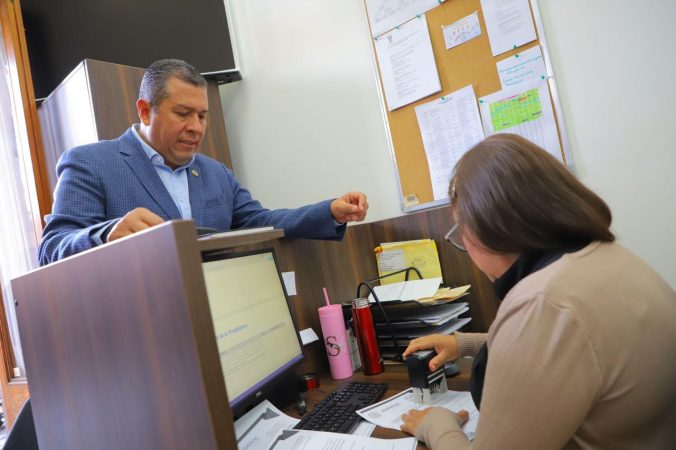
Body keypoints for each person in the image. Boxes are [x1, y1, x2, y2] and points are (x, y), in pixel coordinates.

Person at [399, 134, 676, 449]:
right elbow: (576, 353)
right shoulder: (610, 259)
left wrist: (438, 426)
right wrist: (466, 343)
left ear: (487, 227)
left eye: (460, 229)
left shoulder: (543, 301)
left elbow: (555, 337)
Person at [38, 59, 368, 266]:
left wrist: (329, 212)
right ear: (144, 110)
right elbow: (51, 249)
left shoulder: (216, 174)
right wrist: (106, 234)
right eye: (183, 114)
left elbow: (261, 221)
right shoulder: (90, 163)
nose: (196, 127)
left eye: (202, 115)